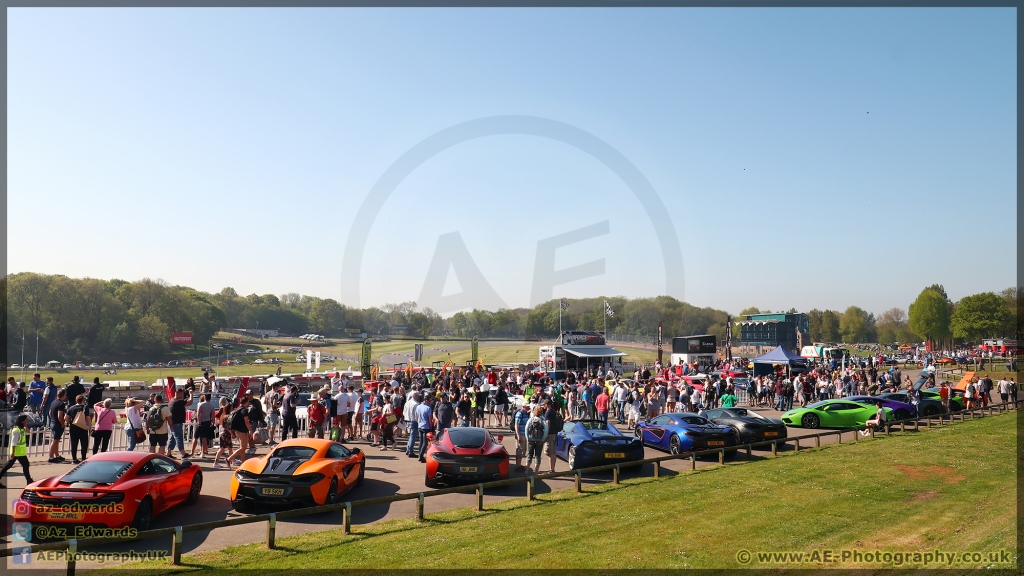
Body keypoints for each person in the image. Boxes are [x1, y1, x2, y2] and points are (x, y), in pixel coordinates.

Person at [0, 414, 33, 488]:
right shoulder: (16, 430)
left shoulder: (22, 429)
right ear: (22, 421)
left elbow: (28, 432)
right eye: (26, 419)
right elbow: (13, 442)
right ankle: (29, 481)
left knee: (10, 466)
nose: (27, 420)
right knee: (24, 465)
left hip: (20, 452)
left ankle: (29, 480)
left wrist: (25, 425)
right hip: (16, 452)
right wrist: (13, 453)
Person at [65, 394, 91, 463]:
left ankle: (74, 459)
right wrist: (89, 426)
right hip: (82, 427)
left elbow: (66, 418)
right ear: (83, 400)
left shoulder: (71, 408)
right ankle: (83, 458)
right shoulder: (85, 408)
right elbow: (88, 418)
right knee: (84, 443)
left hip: (73, 427)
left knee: (74, 443)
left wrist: (71, 422)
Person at [228, 396, 253, 465]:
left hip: (237, 430)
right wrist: (250, 430)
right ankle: (229, 459)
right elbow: (246, 422)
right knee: (243, 448)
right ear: (246, 402)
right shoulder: (244, 410)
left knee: (242, 447)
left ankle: (243, 461)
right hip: (243, 431)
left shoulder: (236, 409)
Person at [168, 388, 192, 459]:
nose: (182, 396)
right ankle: (183, 454)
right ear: (179, 393)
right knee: (179, 438)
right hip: (177, 423)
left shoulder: (172, 401)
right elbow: (190, 402)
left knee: (173, 438)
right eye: (182, 394)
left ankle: (168, 453)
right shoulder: (178, 402)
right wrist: (191, 394)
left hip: (172, 423)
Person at [524, 405, 549, 475]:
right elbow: (546, 430)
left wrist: (528, 438)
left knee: (529, 455)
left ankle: (526, 471)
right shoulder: (542, 420)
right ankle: (536, 471)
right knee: (537, 456)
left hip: (531, 439)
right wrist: (543, 440)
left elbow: (526, 429)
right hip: (539, 440)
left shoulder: (531, 419)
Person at [213, 398, 235, 469]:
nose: (232, 409)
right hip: (226, 434)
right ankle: (218, 462)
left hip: (223, 433)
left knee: (227, 448)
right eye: (231, 408)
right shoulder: (228, 417)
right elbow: (228, 428)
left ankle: (232, 460)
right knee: (225, 448)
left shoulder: (223, 416)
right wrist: (232, 434)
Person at [47, 389, 68, 462]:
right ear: (64, 395)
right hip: (57, 424)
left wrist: (52, 419)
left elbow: (50, 413)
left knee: (57, 440)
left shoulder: (54, 402)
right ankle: (51, 457)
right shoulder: (61, 404)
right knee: (55, 440)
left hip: (52, 422)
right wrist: (62, 423)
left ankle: (57, 455)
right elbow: (60, 415)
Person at [543, 399, 563, 474]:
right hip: (555, 433)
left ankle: (551, 470)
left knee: (549, 452)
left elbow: (548, 423)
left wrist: (545, 434)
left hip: (550, 434)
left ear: (547, 405)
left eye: (544, 404)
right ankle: (553, 469)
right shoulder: (553, 411)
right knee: (553, 452)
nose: (543, 406)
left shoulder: (548, 413)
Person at [414, 394, 433, 463]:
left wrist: (419, 422)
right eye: (429, 400)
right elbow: (430, 419)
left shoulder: (418, 407)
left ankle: (420, 454)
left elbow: (416, 417)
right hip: (426, 426)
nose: (430, 402)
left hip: (420, 426)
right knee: (425, 443)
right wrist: (431, 427)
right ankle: (421, 456)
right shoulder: (428, 408)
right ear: (426, 400)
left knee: (421, 441)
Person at [513, 403, 531, 472]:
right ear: (523, 407)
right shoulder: (519, 414)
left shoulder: (525, 413)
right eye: (527, 407)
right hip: (520, 435)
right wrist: (518, 436)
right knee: (519, 450)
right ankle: (517, 466)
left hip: (524, 434)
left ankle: (519, 465)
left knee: (522, 450)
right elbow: (516, 425)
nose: (528, 408)